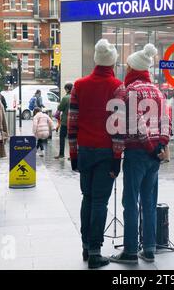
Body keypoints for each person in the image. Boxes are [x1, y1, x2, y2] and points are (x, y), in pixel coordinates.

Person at [110, 43, 171, 265]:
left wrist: (147, 146)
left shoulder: (130, 91)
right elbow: (167, 121)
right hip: (155, 156)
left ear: (132, 68)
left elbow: (136, 122)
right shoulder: (158, 91)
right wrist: (161, 145)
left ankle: (129, 250)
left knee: (131, 202)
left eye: (127, 67)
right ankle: (150, 248)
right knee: (149, 201)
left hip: (137, 153)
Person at [68, 39, 125, 269]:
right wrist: (117, 158)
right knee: (100, 201)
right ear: (113, 61)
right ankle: (95, 251)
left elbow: (71, 121)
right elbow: (118, 125)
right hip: (105, 151)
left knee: (87, 198)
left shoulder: (79, 85)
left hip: (84, 150)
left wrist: (73, 153)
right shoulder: (117, 86)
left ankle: (85, 245)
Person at [55, 83, 73, 159]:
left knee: (62, 137)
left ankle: (61, 154)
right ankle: (72, 156)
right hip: (74, 121)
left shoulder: (66, 98)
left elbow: (60, 108)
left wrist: (58, 105)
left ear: (67, 89)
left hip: (65, 121)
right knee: (72, 139)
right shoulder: (76, 97)